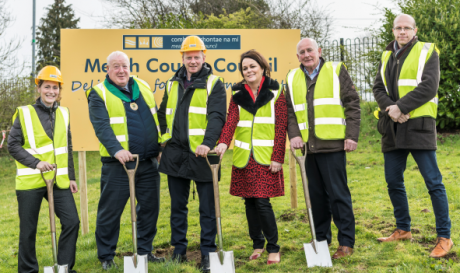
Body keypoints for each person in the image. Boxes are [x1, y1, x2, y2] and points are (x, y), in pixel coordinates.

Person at [372, 14, 452, 257]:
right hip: (392, 126)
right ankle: (403, 229)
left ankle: (445, 237)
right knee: (393, 181)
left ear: (414, 30)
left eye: (407, 28)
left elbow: (429, 86)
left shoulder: (428, 51)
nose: (402, 32)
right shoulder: (386, 55)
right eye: (398, 28)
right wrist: (391, 110)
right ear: (393, 31)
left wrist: (401, 107)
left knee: (433, 182)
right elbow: (377, 87)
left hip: (418, 125)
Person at [86, 51, 164, 270]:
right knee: (111, 211)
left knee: (150, 208)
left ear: (130, 67)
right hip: (118, 165)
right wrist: (117, 150)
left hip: (147, 162)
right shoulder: (98, 93)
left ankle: (145, 252)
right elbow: (101, 127)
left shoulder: (143, 86)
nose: (121, 71)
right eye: (116, 66)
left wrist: (159, 146)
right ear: (107, 69)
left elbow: (155, 118)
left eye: (124, 66)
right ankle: (106, 256)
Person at [285, 38, 361, 259]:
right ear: (297, 56)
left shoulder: (336, 70)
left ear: (319, 51)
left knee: (338, 194)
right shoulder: (291, 77)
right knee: (315, 196)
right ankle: (321, 239)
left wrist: (351, 136)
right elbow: (290, 111)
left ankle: (346, 242)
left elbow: (352, 103)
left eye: (310, 50)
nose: (306, 55)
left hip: (333, 145)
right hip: (308, 149)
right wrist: (295, 135)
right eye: (302, 52)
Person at [157, 35, 226, 273]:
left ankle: (207, 252)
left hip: (202, 155)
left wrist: (208, 143)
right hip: (175, 154)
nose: (193, 61)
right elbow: (163, 114)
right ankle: (179, 251)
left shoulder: (214, 83)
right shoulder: (172, 83)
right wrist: (163, 141)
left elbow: (217, 116)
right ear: (183, 58)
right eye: (189, 57)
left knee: (208, 208)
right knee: (178, 206)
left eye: (197, 57)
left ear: (204, 57)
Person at [215, 49, 287, 265]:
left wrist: (278, 157)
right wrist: (223, 142)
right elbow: (231, 121)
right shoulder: (237, 93)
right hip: (244, 158)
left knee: (263, 202)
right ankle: (257, 244)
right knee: (249, 202)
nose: (248, 71)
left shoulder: (276, 91)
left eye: (252, 66)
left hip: (266, 158)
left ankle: (274, 247)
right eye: (244, 68)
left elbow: (281, 125)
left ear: (263, 67)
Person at [8, 66, 80, 273]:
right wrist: (37, 163)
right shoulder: (24, 113)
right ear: (39, 88)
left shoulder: (64, 113)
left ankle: (64, 267)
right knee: (28, 230)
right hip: (30, 181)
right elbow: (12, 145)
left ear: (60, 90)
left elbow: (67, 147)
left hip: (58, 180)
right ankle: (28, 270)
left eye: (55, 87)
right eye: (47, 87)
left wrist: (72, 176)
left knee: (72, 221)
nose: (51, 91)